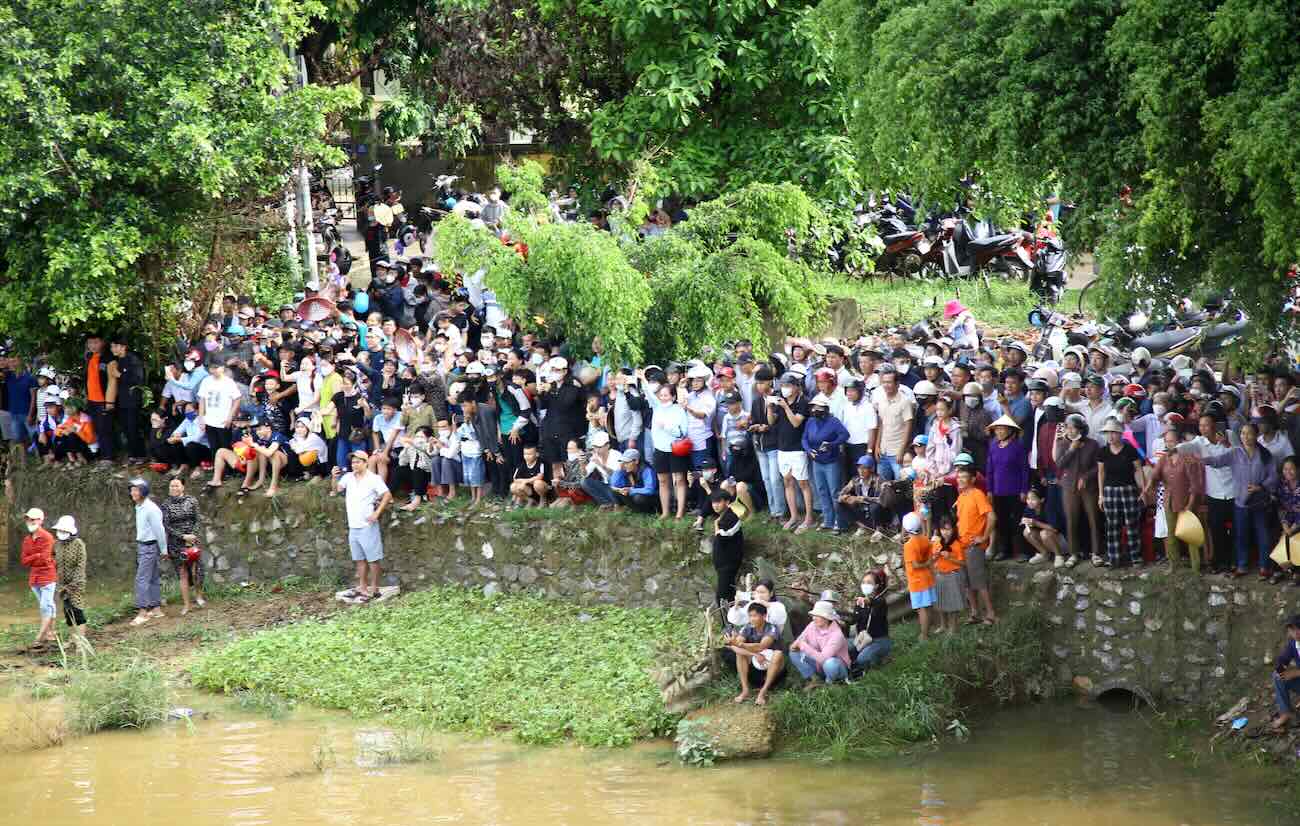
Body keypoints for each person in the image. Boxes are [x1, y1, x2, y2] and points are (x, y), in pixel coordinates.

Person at [1201, 421, 1278, 579]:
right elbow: (1217, 461)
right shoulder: (1235, 452)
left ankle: (1264, 567)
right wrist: (1200, 460)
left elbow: (1273, 476)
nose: (1245, 436)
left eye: (1249, 433)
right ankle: (1242, 566)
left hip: (1259, 503)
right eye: (1242, 433)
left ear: (1256, 435)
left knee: (1263, 535)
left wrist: (1260, 487)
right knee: (1241, 535)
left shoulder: (1265, 454)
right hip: (1241, 503)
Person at [1143, 427, 1205, 574]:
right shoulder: (1164, 458)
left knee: (1190, 536)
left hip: (1187, 502)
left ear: (1179, 442)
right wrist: (1148, 486)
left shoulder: (1189, 458)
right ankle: (1173, 565)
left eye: (1171, 441)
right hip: (1169, 501)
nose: (1169, 444)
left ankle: (1196, 567)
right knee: (1171, 535)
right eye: (1166, 441)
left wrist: (1190, 505)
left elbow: (1195, 484)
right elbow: (1155, 475)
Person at [332, 451, 392, 602]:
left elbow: (387, 495)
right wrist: (334, 477)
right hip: (354, 525)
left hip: (367, 524)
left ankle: (374, 587)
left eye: (358, 462)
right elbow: (336, 489)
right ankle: (362, 586)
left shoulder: (374, 478)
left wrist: (377, 513)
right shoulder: (348, 477)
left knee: (373, 558)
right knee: (359, 558)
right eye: (353, 462)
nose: (355, 465)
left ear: (366, 463)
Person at [1097, 417, 1146, 568]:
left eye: (1113, 433)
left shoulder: (1129, 449)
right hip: (1110, 491)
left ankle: (1136, 557)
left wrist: (1143, 490)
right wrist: (1101, 495)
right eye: (1107, 433)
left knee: (1132, 524)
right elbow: (1101, 473)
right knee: (1112, 525)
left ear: (1120, 434)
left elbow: (1138, 470)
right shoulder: (1103, 451)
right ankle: (1114, 558)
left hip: (1128, 489)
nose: (1110, 436)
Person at [1054, 413, 1101, 567]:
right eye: (1068, 427)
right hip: (1069, 486)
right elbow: (1060, 464)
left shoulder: (1092, 444)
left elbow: (1098, 467)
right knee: (1071, 520)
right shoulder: (1062, 443)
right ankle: (1074, 554)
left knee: (1093, 519)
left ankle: (1096, 553)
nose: (1071, 431)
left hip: (1088, 487)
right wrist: (1072, 449)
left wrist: (1086, 477)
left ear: (1081, 429)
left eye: (1074, 428)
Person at [954, 465, 997, 623]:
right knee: (966, 582)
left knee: (979, 581)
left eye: (963, 477)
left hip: (974, 545)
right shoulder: (961, 496)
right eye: (958, 477)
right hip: (961, 545)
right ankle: (975, 613)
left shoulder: (977, 494)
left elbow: (992, 517)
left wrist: (983, 537)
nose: (960, 480)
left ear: (972, 479)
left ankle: (991, 614)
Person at [985, 415, 1029, 562]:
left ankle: (1020, 551)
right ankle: (1004, 550)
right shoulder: (993, 446)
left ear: (1010, 430)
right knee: (1001, 521)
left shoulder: (1018, 446)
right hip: (998, 491)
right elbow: (989, 469)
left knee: (1017, 521)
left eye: (1002, 429)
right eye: (997, 429)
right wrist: (989, 489)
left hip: (1015, 490)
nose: (999, 432)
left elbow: (1024, 469)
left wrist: (1024, 490)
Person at [802, 392, 849, 532]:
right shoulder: (810, 421)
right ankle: (828, 520)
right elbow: (804, 438)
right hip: (817, 461)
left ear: (826, 409)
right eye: (813, 407)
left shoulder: (833, 421)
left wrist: (832, 444)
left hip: (831, 461)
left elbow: (845, 435)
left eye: (819, 408)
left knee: (834, 491)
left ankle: (839, 522)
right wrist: (808, 450)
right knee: (822, 490)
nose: (815, 410)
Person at [160, 477, 206, 614]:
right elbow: (166, 525)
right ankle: (186, 604)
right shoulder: (166, 504)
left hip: (192, 539)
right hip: (176, 542)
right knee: (182, 573)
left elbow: (198, 519)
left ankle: (198, 596)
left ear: (182, 487)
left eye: (176, 486)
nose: (173, 488)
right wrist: (182, 536)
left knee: (196, 570)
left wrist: (192, 535)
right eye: (171, 486)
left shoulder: (192, 500)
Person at [728, 601, 785, 706]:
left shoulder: (771, 628)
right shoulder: (747, 627)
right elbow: (735, 646)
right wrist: (754, 654)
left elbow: (761, 646)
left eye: (755, 616)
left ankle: (763, 691)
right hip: (756, 665)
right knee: (739, 653)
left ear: (764, 616)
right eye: (750, 616)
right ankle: (745, 690)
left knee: (778, 654)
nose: (752, 619)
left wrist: (740, 644)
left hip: (775, 672)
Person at [648, 382, 691, 519]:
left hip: (676, 449)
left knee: (679, 479)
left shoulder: (679, 410)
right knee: (663, 480)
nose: (663, 398)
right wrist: (642, 378)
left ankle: (680, 512)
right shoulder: (657, 408)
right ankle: (665, 512)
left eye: (666, 395)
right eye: (661, 395)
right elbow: (648, 393)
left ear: (673, 396)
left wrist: (666, 427)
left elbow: (682, 432)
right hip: (660, 449)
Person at [129, 478, 167, 626]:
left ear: (143, 491)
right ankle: (156, 609)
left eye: (136, 490)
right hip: (143, 546)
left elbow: (160, 530)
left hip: (149, 546)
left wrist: (164, 549)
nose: (132, 493)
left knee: (141, 579)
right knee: (151, 578)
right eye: (132, 490)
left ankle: (143, 612)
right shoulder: (139, 506)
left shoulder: (151, 509)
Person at [789, 601, 850, 689]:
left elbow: (823, 658)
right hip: (819, 665)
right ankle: (814, 679)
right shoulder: (812, 625)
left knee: (830, 663)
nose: (814, 618)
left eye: (817, 615)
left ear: (827, 618)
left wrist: (802, 645)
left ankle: (830, 684)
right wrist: (795, 645)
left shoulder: (837, 635)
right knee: (794, 653)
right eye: (813, 615)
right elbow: (799, 640)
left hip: (836, 668)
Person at [20, 507, 57, 650]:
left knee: (45, 605)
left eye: (34, 519)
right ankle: (51, 633)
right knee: (48, 605)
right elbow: (24, 561)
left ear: (41, 520)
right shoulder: (27, 539)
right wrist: (37, 557)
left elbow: (46, 558)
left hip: (48, 576)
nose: (30, 521)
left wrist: (33, 558)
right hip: (34, 578)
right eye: (28, 519)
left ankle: (39, 637)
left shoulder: (47, 537)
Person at [52, 515, 89, 646]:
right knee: (67, 612)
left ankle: (81, 641)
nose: (61, 532)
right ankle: (73, 638)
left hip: (76, 584)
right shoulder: (57, 544)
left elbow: (81, 565)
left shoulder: (79, 544)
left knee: (77, 610)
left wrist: (74, 584)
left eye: (64, 530)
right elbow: (53, 561)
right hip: (62, 584)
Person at [836, 454, 890, 537]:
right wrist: (844, 498)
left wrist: (863, 499)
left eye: (864, 468)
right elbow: (842, 492)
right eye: (859, 468)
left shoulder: (879, 480)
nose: (861, 471)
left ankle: (879, 529)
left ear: (871, 469)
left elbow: (883, 500)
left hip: (877, 512)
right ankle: (862, 527)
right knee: (839, 504)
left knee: (874, 506)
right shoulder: (856, 480)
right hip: (863, 511)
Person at [901, 512, 935, 641]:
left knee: (921, 609)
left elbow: (915, 565)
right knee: (928, 606)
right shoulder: (925, 539)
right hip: (927, 577)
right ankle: (928, 630)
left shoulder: (908, 546)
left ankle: (924, 635)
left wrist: (925, 563)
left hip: (917, 581)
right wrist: (928, 564)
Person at [710, 489, 746, 607]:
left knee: (722, 596)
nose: (715, 505)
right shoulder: (723, 517)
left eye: (718, 502)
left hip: (728, 564)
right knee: (729, 594)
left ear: (727, 502)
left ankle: (727, 623)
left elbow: (722, 537)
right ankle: (731, 622)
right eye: (713, 502)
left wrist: (716, 525)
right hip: (723, 565)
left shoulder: (731, 517)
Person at [851, 569, 892, 671]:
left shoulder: (880, 601)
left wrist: (868, 601)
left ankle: (882, 659)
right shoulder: (860, 602)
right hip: (864, 640)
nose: (865, 585)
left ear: (876, 586)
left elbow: (876, 603)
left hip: (879, 641)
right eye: (863, 582)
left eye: (869, 583)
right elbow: (854, 620)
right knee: (848, 649)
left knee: (862, 659)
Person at [931, 516, 966, 633]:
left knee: (953, 603)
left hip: (953, 575)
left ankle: (953, 627)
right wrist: (935, 557)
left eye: (948, 529)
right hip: (940, 575)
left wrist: (950, 557)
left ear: (953, 529)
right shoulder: (936, 543)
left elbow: (962, 563)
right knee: (940, 602)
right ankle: (943, 625)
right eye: (943, 529)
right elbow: (932, 560)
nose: (945, 532)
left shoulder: (956, 544)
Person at [1021, 485, 1067, 566]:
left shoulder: (1048, 508)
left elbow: (1055, 529)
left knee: (1044, 533)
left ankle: (1059, 556)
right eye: (1028, 499)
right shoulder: (1029, 508)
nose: (1030, 501)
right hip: (1048, 541)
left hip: (1063, 542)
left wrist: (1035, 523)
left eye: (1033, 499)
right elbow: (1028, 522)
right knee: (1026, 532)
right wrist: (1025, 522)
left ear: (1042, 500)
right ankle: (1044, 554)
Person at [1271, 615, 1300, 731]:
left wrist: (1296, 673)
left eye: (1297, 628)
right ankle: (1285, 713)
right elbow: (1282, 659)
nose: (1295, 632)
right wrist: (1281, 668)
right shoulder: (1293, 644)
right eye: (1292, 630)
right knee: (1277, 676)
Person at [609, 449, 658, 513]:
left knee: (638, 497)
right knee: (615, 490)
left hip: (653, 498)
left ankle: (648, 512)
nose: (624, 465)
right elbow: (614, 484)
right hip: (637, 494)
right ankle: (635, 510)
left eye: (627, 462)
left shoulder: (647, 470)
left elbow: (650, 490)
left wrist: (631, 490)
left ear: (636, 461)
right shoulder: (627, 469)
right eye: (623, 462)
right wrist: (620, 470)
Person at [510, 443, 551, 507]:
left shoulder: (541, 463)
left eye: (530, 454)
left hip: (542, 488)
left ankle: (543, 500)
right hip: (528, 489)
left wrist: (525, 481)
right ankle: (529, 500)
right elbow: (515, 478)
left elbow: (540, 477)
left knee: (538, 483)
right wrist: (523, 482)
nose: (527, 456)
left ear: (537, 454)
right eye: (525, 454)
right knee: (513, 486)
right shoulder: (522, 464)